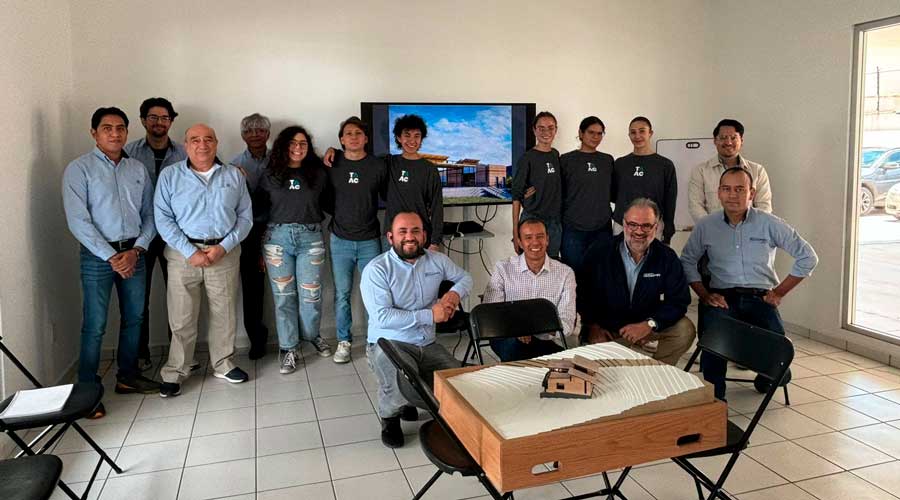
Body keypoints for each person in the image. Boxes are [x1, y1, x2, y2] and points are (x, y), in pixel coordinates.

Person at [681, 168, 818, 399]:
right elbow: (686, 261)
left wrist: (779, 292)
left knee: (779, 361)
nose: (732, 195)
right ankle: (716, 402)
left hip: (760, 298)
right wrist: (704, 294)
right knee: (714, 347)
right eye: (726, 189)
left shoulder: (769, 223)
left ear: (751, 193)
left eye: (739, 189)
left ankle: (770, 377)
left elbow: (808, 257)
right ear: (719, 193)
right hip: (721, 298)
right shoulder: (707, 225)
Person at [63, 107, 160, 418]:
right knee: (94, 326)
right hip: (97, 258)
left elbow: (150, 215)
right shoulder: (79, 169)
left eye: (121, 128)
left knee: (135, 317)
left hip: (134, 253)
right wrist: (110, 256)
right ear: (94, 133)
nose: (115, 133)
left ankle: (127, 376)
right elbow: (78, 221)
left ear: (127, 132)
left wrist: (137, 249)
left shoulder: (137, 170)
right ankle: (87, 392)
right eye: (107, 128)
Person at [154, 124, 252, 397]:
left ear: (216, 143)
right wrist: (190, 251)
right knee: (182, 316)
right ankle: (176, 370)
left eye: (208, 139)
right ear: (186, 145)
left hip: (224, 252)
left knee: (225, 313)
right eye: (195, 140)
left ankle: (223, 363)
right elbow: (162, 219)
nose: (202, 144)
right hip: (182, 254)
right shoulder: (170, 176)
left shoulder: (233, 175)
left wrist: (223, 247)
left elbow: (245, 218)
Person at [361, 212, 473, 448]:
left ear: (424, 235)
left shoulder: (436, 260)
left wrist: (453, 293)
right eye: (402, 232)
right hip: (389, 343)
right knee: (401, 380)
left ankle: (413, 402)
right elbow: (382, 316)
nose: (409, 237)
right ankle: (389, 417)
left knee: (457, 380)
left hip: (426, 343)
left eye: (415, 231)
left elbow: (465, 277)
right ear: (390, 237)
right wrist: (430, 314)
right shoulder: (377, 269)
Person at [578, 198, 695, 366]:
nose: (639, 231)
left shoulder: (667, 257)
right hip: (609, 329)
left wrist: (650, 324)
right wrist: (592, 326)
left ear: (656, 227)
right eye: (633, 224)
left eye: (646, 225)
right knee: (608, 373)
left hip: (646, 325)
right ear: (624, 224)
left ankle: (658, 371)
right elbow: (582, 293)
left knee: (685, 329)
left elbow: (679, 300)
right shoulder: (599, 251)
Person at [256, 125, 333, 375]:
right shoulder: (270, 174)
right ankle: (288, 348)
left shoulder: (319, 173)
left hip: (311, 238)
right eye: (292, 143)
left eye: (302, 143)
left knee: (311, 296)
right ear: (283, 146)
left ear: (308, 147)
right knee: (284, 298)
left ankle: (311, 335)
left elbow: (331, 202)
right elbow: (258, 211)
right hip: (277, 239)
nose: (297, 147)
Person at [123, 97, 187, 370]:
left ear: (172, 121)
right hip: (140, 237)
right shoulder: (128, 152)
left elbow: (214, 169)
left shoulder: (185, 152)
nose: (159, 122)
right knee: (139, 298)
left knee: (180, 297)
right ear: (142, 120)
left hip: (176, 233)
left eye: (164, 118)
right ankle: (140, 355)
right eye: (153, 117)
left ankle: (180, 355)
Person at [324, 117, 386, 364]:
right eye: (348, 133)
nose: (353, 137)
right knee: (342, 294)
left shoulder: (378, 166)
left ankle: (373, 341)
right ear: (341, 139)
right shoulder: (332, 163)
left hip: (370, 239)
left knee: (374, 293)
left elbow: (388, 197)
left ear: (366, 138)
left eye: (358, 133)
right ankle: (344, 341)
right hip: (340, 240)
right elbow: (324, 197)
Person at [484, 218, 576, 361]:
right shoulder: (503, 268)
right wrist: (517, 329)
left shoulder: (565, 273)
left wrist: (535, 328)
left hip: (547, 339)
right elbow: (492, 315)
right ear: (520, 242)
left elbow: (567, 323)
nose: (535, 242)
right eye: (528, 238)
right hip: (509, 337)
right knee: (517, 349)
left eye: (540, 236)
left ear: (547, 240)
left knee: (569, 361)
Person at [230, 113, 272, 360]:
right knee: (252, 289)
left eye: (260, 130)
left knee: (285, 287)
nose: (255, 135)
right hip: (248, 234)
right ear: (242, 135)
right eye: (249, 131)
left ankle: (292, 338)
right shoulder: (233, 165)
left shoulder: (281, 160)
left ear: (268, 134)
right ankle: (257, 339)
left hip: (279, 229)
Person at [688, 119, 772, 223]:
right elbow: (695, 206)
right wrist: (713, 228)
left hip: (750, 235)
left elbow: (764, 207)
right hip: (713, 234)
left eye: (733, 138)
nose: (728, 142)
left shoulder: (757, 171)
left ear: (741, 140)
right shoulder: (700, 171)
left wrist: (749, 228)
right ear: (715, 140)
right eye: (723, 138)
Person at [560, 116, 615, 272]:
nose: (595, 137)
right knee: (573, 276)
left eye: (599, 133)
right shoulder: (566, 160)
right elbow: (556, 191)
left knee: (601, 275)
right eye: (591, 132)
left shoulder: (607, 160)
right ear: (581, 133)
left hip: (602, 229)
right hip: (573, 229)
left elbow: (614, 192)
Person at [612, 116, 677, 244]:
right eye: (633, 132)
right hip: (623, 225)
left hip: (652, 226)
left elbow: (670, 199)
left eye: (642, 131)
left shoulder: (665, 165)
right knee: (621, 262)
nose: (637, 136)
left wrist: (668, 228)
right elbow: (613, 194)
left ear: (650, 133)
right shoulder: (620, 164)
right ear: (629, 135)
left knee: (651, 263)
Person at [511, 111, 562, 257]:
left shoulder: (556, 155)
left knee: (551, 266)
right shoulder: (527, 158)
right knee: (530, 266)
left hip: (554, 223)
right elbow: (516, 196)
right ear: (534, 130)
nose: (546, 132)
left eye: (551, 128)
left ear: (556, 130)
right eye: (541, 128)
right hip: (532, 220)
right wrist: (515, 232)